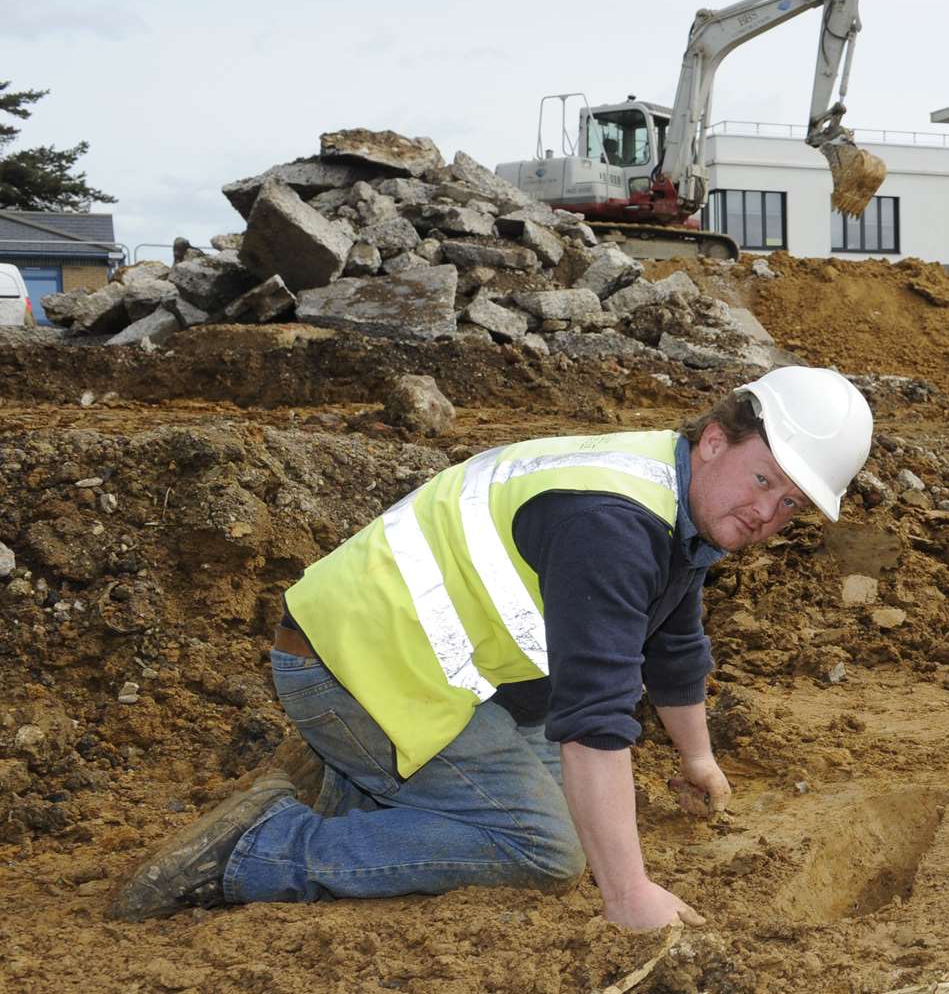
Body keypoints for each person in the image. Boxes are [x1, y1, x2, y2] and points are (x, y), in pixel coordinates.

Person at [110, 366, 874, 930]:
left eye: (791, 503)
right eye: (765, 479)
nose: (766, 513)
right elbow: (595, 720)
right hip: (357, 669)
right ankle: (264, 848)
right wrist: (629, 896)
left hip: (440, 673)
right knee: (544, 849)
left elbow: (673, 644)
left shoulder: (675, 498)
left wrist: (698, 759)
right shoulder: (614, 522)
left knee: (585, 820)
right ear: (714, 441)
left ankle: (346, 786)